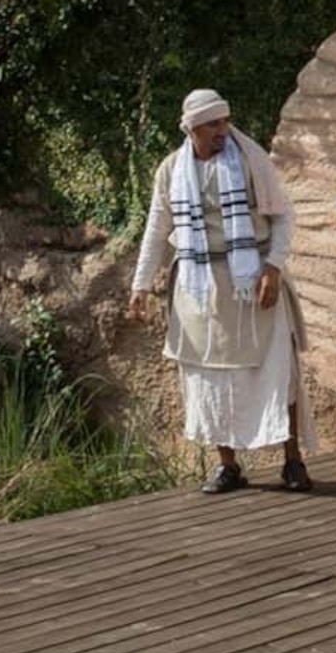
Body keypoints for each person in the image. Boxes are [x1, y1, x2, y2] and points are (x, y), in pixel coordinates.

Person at [128, 89, 314, 496]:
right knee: (208, 378)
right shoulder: (171, 170)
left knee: (277, 370)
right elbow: (157, 228)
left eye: (225, 121)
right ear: (192, 128)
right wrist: (140, 285)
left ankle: (292, 460)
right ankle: (228, 465)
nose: (223, 130)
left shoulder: (251, 160)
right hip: (199, 287)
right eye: (214, 124)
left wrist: (273, 267)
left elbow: (283, 217)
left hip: (253, 282)